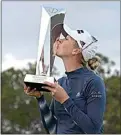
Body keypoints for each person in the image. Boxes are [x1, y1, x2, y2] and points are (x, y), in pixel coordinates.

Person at [24, 24, 106, 134]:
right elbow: (52, 129)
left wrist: (65, 100)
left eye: (66, 39)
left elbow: (93, 130)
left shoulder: (94, 82)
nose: (59, 40)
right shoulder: (61, 82)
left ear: (76, 50)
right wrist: (40, 98)